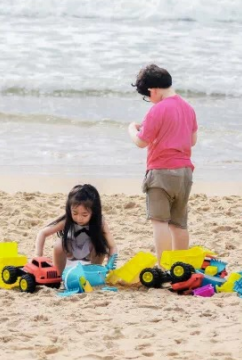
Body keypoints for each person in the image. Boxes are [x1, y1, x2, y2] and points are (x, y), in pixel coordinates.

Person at [128, 64, 198, 263]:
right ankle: (180, 264)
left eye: (147, 95)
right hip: (185, 171)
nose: (149, 100)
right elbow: (192, 140)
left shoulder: (157, 110)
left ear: (154, 90)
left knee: (160, 221)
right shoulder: (188, 108)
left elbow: (141, 141)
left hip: (161, 170)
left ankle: (164, 265)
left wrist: (131, 129)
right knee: (179, 224)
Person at [35, 184, 117, 275]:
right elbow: (42, 233)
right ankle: (59, 274)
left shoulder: (99, 222)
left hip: (90, 255)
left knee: (101, 243)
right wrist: (38, 256)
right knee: (59, 244)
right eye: (75, 213)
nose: (79, 218)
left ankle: (92, 273)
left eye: (84, 215)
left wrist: (111, 264)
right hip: (70, 254)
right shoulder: (67, 220)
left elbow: (112, 246)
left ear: (94, 212)